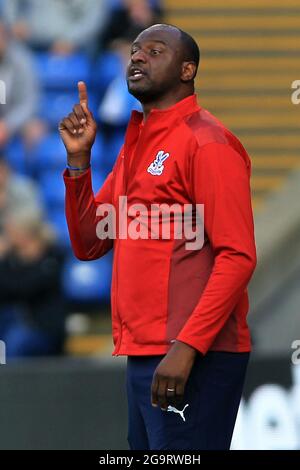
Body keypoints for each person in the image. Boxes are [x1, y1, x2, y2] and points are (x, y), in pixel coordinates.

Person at [59, 24, 257, 450]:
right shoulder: (138, 144)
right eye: (134, 50)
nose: (138, 57)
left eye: (154, 50)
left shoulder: (208, 142)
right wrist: (79, 164)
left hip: (194, 354)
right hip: (146, 352)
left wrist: (187, 347)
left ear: (188, 70)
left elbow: (238, 257)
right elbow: (91, 241)